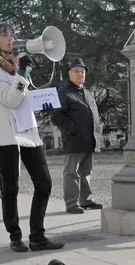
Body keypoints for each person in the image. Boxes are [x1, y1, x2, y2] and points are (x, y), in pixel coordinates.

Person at [0, 23, 64, 252]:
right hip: (5, 134)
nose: (11, 38)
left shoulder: (13, 66)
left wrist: (32, 85)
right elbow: (10, 100)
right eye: (5, 35)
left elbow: (22, 99)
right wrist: (21, 73)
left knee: (44, 183)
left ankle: (37, 236)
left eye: (13, 34)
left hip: (27, 131)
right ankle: (15, 236)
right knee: (10, 188)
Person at [51, 58, 103, 214]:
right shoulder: (63, 91)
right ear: (69, 73)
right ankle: (72, 204)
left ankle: (86, 200)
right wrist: (71, 129)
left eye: (83, 71)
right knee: (71, 172)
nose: (80, 74)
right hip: (74, 139)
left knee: (86, 171)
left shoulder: (86, 93)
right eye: (76, 71)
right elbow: (56, 116)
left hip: (89, 139)